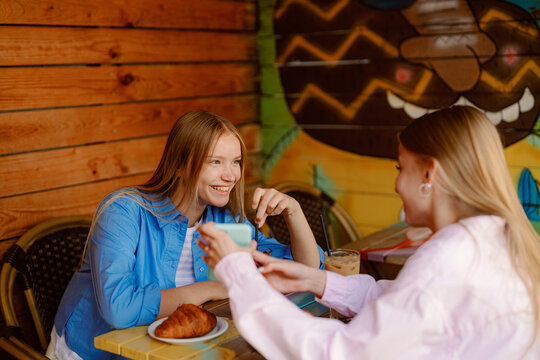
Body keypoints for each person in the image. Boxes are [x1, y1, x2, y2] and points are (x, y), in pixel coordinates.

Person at [199, 106, 540, 359]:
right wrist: (316, 281)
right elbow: (406, 307)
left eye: (400, 168)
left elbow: (337, 352)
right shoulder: (494, 239)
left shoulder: (450, 259)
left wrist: (238, 272)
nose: (395, 184)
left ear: (428, 175)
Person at [47, 110, 323, 359]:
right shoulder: (124, 211)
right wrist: (212, 288)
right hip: (93, 353)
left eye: (236, 161)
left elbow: (305, 271)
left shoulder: (226, 220)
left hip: (175, 350)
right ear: (179, 165)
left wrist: (294, 213)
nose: (231, 175)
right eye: (215, 161)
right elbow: (120, 311)